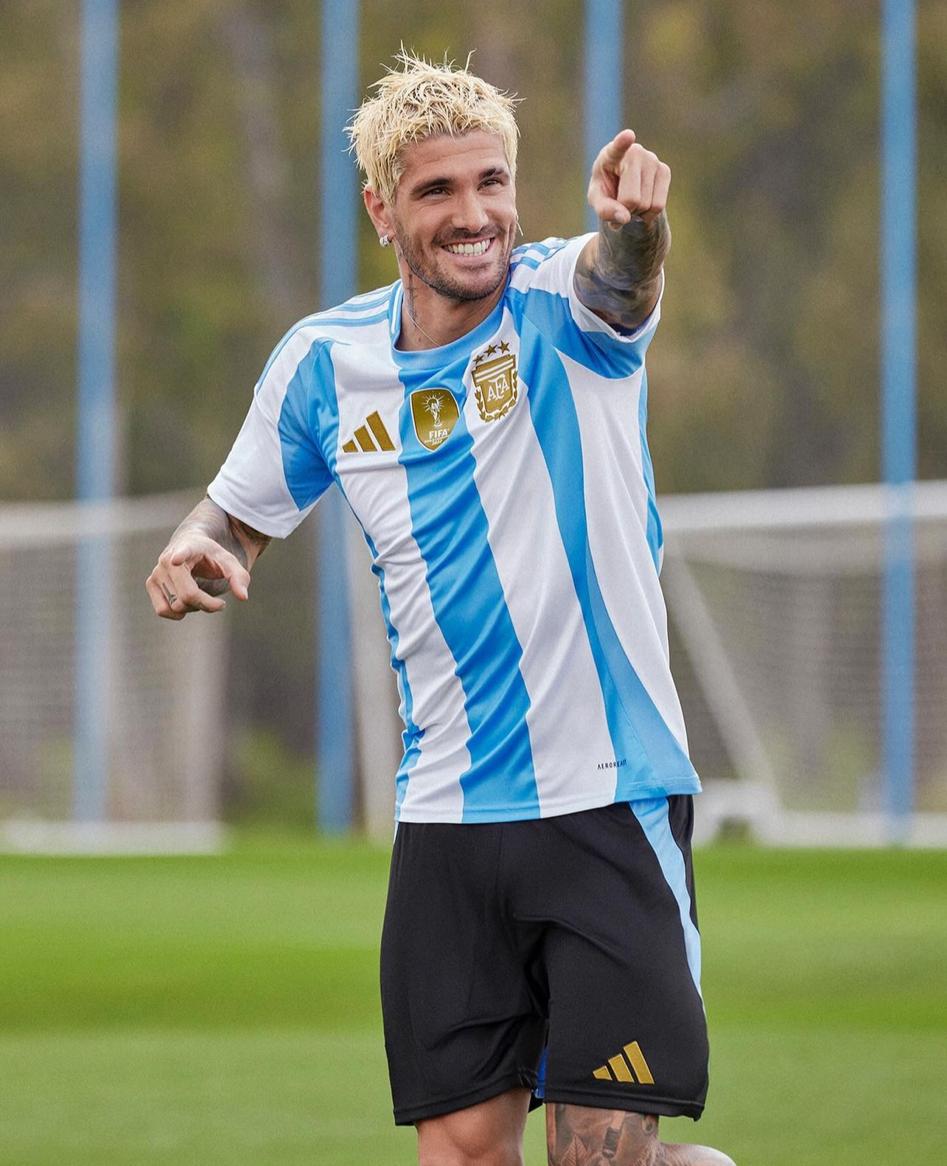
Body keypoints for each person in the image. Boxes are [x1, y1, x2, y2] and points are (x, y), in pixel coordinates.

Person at [146, 52, 735, 1166]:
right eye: (437, 191)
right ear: (381, 209)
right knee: (460, 1151)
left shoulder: (562, 301)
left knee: (599, 1155)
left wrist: (638, 230)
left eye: (491, 182)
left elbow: (622, 282)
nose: (474, 215)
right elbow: (234, 515)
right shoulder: (323, 365)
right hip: (446, 819)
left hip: (607, 798)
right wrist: (196, 546)